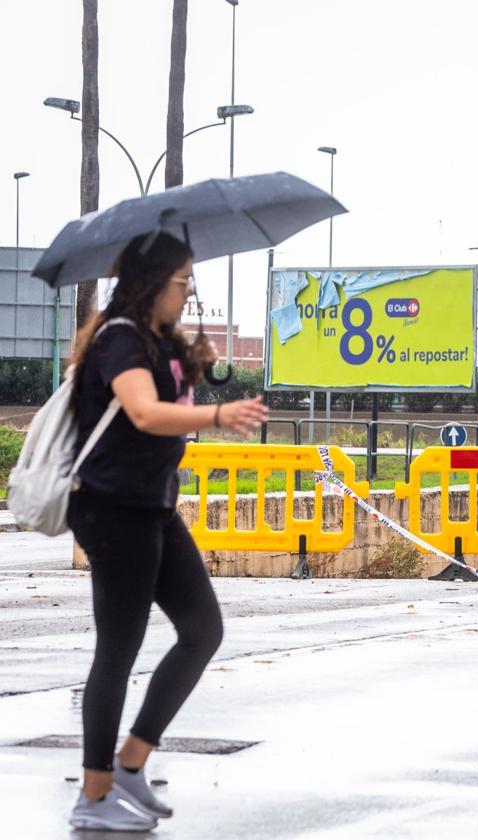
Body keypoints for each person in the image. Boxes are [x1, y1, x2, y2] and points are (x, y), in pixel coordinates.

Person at [66, 232, 269, 832]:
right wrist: (215, 414)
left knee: (203, 629)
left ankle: (130, 765)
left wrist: (198, 367)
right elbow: (144, 413)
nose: (189, 291)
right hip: (111, 509)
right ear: (153, 283)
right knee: (118, 650)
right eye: (183, 281)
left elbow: (167, 405)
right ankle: (94, 795)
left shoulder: (157, 341)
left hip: (153, 505)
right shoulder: (119, 339)